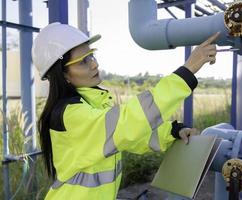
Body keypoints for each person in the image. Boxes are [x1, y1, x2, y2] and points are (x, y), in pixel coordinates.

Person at [32, 22, 219, 200]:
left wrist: (171, 132)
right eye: (83, 61)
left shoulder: (92, 105)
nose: (94, 64)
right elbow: (127, 123)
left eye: (92, 56)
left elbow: (130, 136)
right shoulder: (70, 115)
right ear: (63, 74)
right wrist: (187, 71)